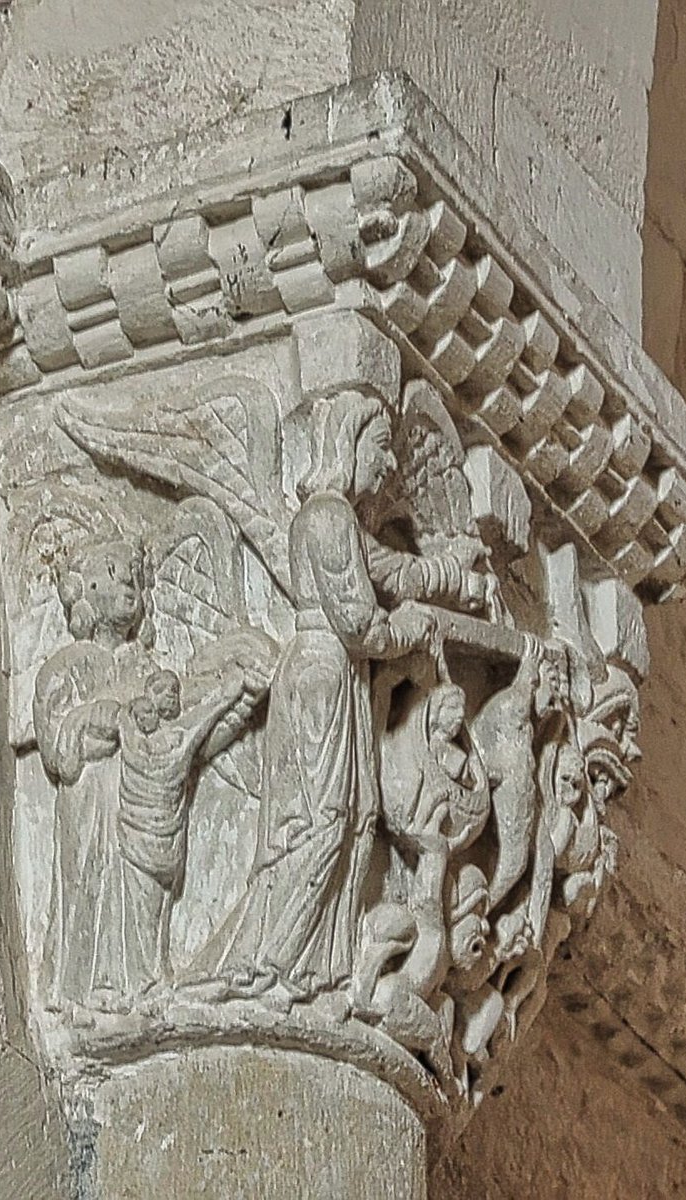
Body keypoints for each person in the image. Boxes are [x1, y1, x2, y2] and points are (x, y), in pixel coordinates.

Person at [193, 390, 492, 1003]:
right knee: (316, 823)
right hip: (321, 679)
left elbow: (397, 575)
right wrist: (410, 628)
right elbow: (361, 623)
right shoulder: (325, 519)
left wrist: (454, 575)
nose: (386, 467)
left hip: (344, 682)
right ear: (345, 444)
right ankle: (265, 963)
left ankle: (317, 968)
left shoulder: (347, 525)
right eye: (380, 448)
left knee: (355, 822)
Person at [33, 539, 156, 1016]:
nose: (130, 582)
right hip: (88, 796)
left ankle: (136, 980)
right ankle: (82, 988)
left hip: (136, 793)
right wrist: (95, 720)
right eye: (115, 571)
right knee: (88, 877)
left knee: (135, 877)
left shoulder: (144, 666)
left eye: (135, 576)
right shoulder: (63, 667)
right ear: (85, 590)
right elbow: (58, 753)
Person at [115, 666, 268, 1000]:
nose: (171, 695)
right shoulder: (175, 743)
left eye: (175, 690)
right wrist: (235, 688)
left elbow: (207, 731)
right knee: (144, 908)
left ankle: (153, 975)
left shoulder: (132, 742)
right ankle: (145, 981)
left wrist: (240, 705)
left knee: (156, 908)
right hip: (148, 836)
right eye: (163, 690)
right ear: (149, 701)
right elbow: (204, 718)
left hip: (157, 836)